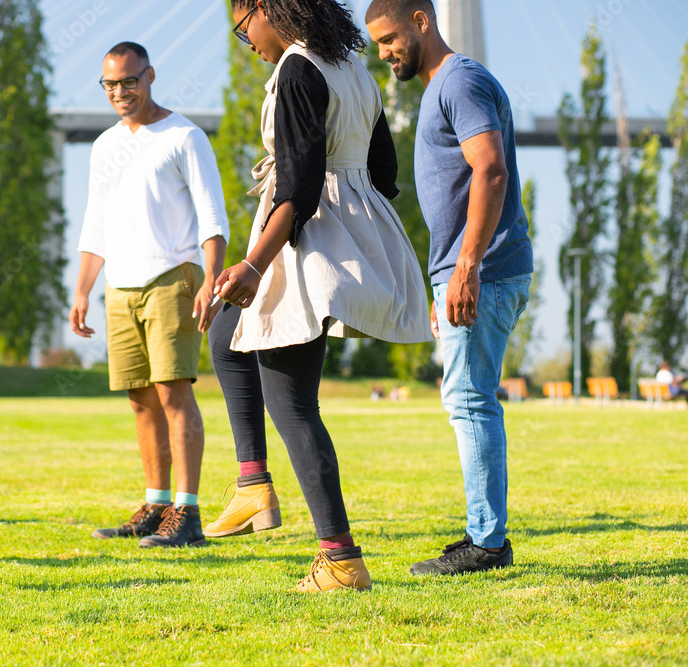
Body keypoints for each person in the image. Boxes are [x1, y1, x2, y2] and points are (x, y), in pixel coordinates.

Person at [204, 0, 432, 592]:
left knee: (295, 405)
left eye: (242, 23)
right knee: (226, 336)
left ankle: (339, 558)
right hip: (352, 225)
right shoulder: (354, 66)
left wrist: (256, 262)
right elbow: (384, 169)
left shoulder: (297, 70)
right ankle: (253, 484)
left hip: (304, 239)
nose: (244, 39)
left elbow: (299, 186)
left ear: (270, 9)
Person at [366, 0, 534, 575]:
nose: (386, 53)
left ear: (421, 20)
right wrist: (448, 277)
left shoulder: (457, 81)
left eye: (390, 38)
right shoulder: (445, 86)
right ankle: (484, 536)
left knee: (469, 401)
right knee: (469, 398)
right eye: (377, 45)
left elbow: (490, 170)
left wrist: (466, 268)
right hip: (470, 272)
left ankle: (486, 543)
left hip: (482, 270)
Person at [70, 42, 229, 548]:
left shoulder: (184, 135)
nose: (121, 92)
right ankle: (156, 503)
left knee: (173, 393)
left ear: (150, 75)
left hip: (171, 278)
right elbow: (96, 223)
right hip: (120, 286)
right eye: (110, 85)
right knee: (141, 399)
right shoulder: (104, 146)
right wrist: (82, 290)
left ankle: (188, 513)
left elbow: (212, 215)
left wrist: (210, 279)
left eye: (129, 81)